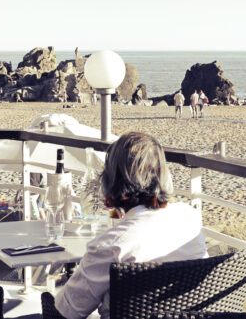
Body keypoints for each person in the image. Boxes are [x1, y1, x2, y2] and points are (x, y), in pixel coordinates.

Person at [54, 132, 207, 319]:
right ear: (163, 174)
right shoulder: (189, 218)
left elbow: (68, 311)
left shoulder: (112, 245)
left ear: (113, 179)